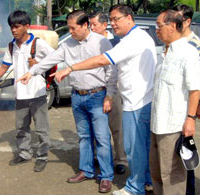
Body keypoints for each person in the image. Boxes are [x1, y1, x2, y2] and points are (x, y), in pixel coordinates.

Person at [52, 5, 157, 195]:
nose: (112, 23)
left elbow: (103, 61)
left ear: (129, 18)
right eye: (111, 19)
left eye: (116, 19)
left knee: (133, 148)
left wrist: (71, 68)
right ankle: (146, 182)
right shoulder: (136, 37)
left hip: (136, 101)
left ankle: (135, 187)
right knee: (141, 145)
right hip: (138, 99)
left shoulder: (133, 40)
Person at [18, 10, 117, 193]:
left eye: (73, 28)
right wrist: (31, 73)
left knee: (102, 138)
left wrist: (109, 96)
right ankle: (86, 170)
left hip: (97, 96)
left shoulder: (101, 42)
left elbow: (111, 71)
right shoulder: (68, 44)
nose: (70, 32)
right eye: (69, 28)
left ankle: (106, 176)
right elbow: (49, 60)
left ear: (85, 25)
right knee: (84, 137)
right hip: (77, 97)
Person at [0, 10, 54, 172]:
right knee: (21, 127)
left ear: (26, 26)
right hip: (20, 94)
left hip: (37, 93)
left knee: (41, 128)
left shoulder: (37, 43)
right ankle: (24, 153)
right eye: (11, 27)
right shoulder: (11, 45)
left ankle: (42, 156)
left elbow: (55, 58)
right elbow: (4, 67)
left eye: (17, 26)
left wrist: (38, 63)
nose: (14, 30)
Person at [150, 9, 200, 194]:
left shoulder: (188, 53)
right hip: (157, 124)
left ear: (172, 26)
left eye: (159, 25)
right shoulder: (165, 53)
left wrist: (190, 119)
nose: (156, 29)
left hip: (173, 126)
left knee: (173, 176)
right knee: (156, 171)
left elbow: (195, 89)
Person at [90, 10, 127, 175]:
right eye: (89, 25)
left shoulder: (117, 42)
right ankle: (100, 157)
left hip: (114, 89)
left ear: (105, 25)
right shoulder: (89, 42)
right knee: (97, 128)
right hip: (95, 90)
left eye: (94, 25)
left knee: (116, 126)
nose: (91, 28)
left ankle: (120, 160)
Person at [173, 4, 200, 195]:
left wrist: (191, 115)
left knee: (186, 151)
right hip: (175, 105)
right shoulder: (174, 42)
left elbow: (195, 84)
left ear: (187, 21)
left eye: (177, 20)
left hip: (186, 107)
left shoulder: (193, 45)